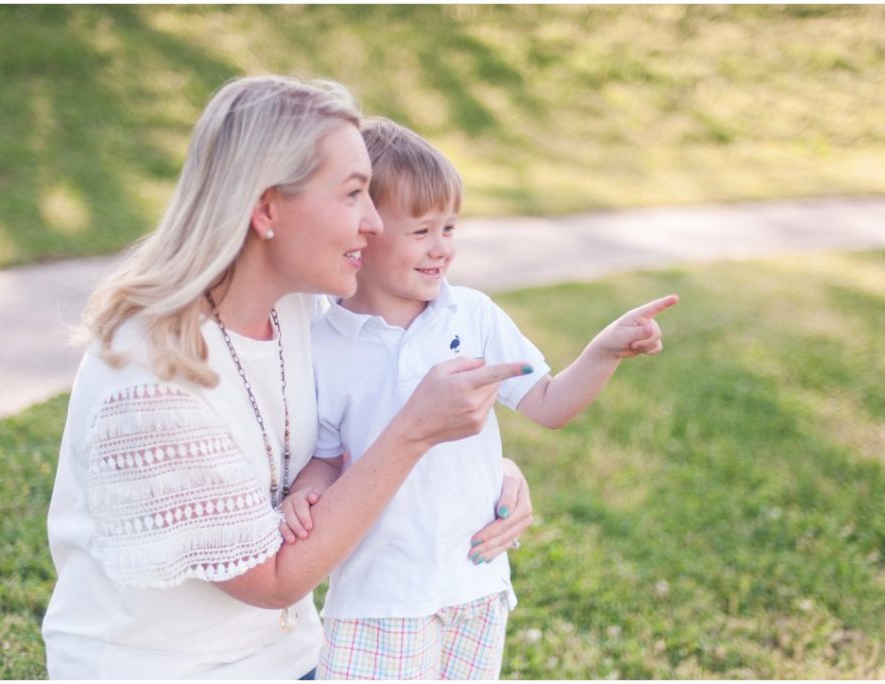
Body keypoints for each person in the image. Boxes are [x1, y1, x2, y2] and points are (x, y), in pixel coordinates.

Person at [40, 75, 536, 679]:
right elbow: (274, 580)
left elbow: (364, 418)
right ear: (267, 208)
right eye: (354, 195)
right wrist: (416, 434)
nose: (375, 224)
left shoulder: (297, 307)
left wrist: (491, 471)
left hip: (292, 658)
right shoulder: (150, 375)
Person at [278, 118, 678, 679]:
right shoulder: (326, 344)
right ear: (364, 235)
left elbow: (548, 402)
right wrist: (306, 493)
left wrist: (603, 352)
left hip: (476, 584)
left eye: (450, 229)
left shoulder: (473, 315)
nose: (441, 249)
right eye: (421, 232)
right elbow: (326, 456)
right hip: (380, 599)